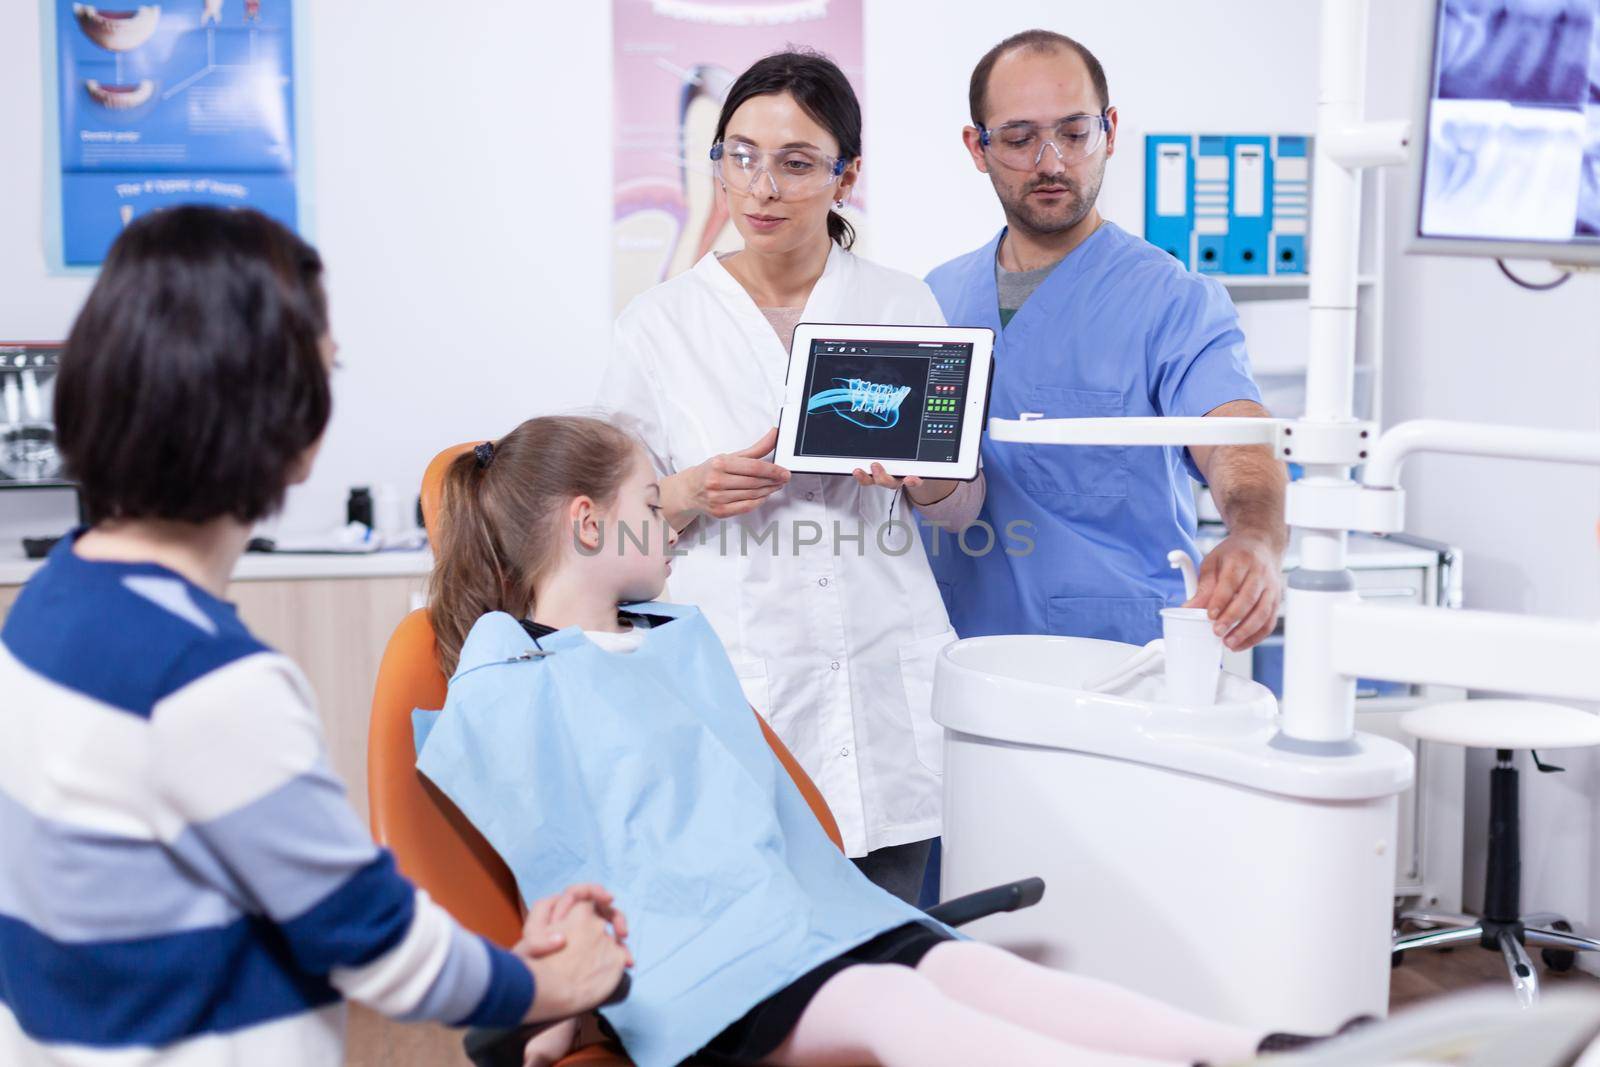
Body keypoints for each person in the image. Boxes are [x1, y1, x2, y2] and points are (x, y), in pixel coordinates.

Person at [413, 414, 1319, 1067]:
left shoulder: (668, 635)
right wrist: (562, 1006)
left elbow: (752, 811)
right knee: (890, 1001)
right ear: (587, 523)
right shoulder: (510, 669)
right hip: (699, 965)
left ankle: (1260, 1049)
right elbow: (553, 849)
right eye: (653, 499)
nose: (671, 515)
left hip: (805, 917)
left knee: (960, 967)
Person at [0, 207, 629, 1065]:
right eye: (325, 370)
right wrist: (557, 984)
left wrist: (506, 968)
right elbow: (372, 942)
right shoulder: (204, 680)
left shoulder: (50, 601)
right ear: (288, 420)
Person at [602, 51, 984, 903]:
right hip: (738, 688)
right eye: (740, 156)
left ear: (846, 176)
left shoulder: (901, 305)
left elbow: (964, 508)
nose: (762, 186)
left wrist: (919, 481)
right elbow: (608, 536)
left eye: (796, 162)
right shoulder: (658, 328)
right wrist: (687, 492)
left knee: (891, 963)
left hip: (886, 689)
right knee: (764, 969)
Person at [925, 30, 1288, 652]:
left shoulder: (1173, 301)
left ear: (1110, 131)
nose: (1050, 161)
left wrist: (1256, 537)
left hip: (1118, 662)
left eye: (1074, 133)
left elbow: (1235, 439)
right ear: (977, 147)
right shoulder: (933, 299)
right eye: (1018, 139)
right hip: (961, 660)